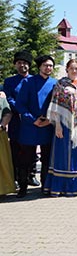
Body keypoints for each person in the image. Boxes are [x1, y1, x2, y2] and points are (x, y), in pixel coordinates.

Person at [43, 59, 77, 197]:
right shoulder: (61, 84)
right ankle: (60, 186)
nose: (74, 71)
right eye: (72, 68)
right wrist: (57, 125)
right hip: (64, 124)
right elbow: (55, 105)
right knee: (63, 155)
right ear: (67, 69)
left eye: (76, 69)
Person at [15, 54, 57, 197]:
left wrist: (49, 120)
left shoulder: (55, 83)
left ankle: (45, 186)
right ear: (39, 66)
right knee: (25, 159)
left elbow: (58, 106)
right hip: (30, 126)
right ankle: (22, 187)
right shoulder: (28, 82)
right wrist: (32, 119)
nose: (48, 68)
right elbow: (20, 105)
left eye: (51, 65)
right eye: (45, 65)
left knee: (46, 158)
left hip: (47, 125)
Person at [3, 50, 33, 189]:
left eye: (25, 63)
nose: (22, 65)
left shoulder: (34, 80)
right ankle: (16, 178)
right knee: (15, 149)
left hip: (31, 120)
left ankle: (30, 175)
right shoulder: (9, 81)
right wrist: (21, 110)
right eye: (19, 63)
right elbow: (9, 98)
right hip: (16, 120)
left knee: (31, 150)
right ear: (15, 65)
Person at [0, 96, 14, 196]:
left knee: (2, 164)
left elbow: (7, 113)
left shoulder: (1, 99)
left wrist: (1, 126)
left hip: (0, 133)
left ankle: (3, 190)